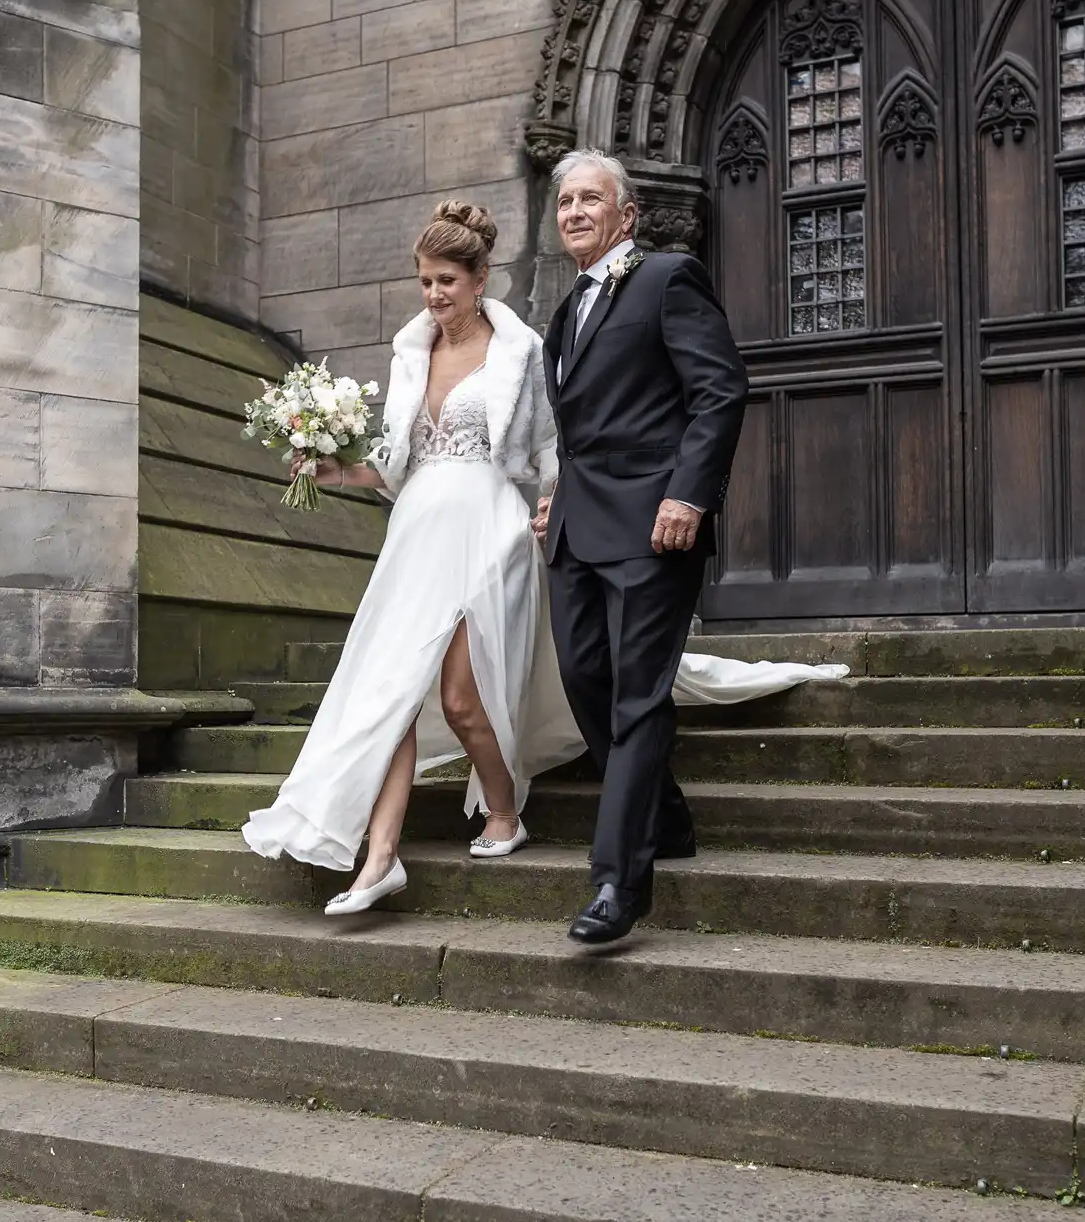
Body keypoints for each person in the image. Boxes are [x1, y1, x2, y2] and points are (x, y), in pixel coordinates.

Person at [241, 200, 844, 918]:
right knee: (390, 687)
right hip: (418, 531)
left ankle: (503, 809)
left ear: (479, 278)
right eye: (425, 281)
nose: (434, 295)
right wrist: (334, 469)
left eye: (446, 281)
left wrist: (559, 499)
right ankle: (379, 858)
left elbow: (562, 442)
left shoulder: (521, 348)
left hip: (490, 526)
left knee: (462, 699)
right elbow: (396, 461)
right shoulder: (410, 352)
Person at [535, 150, 747, 945]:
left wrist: (689, 493)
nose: (576, 213)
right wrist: (558, 496)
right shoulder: (566, 310)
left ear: (627, 215)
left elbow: (719, 388)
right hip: (577, 529)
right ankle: (667, 816)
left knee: (636, 695)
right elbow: (584, 429)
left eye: (592, 199)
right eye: (565, 204)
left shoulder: (666, 278)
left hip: (656, 526)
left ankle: (618, 880)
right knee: (586, 679)